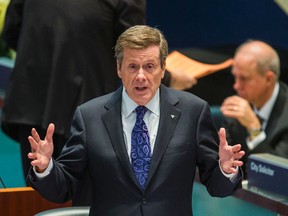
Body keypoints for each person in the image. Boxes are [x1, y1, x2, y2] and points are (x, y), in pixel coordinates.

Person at [27, 25, 244, 215]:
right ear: (119, 69)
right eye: (132, 67)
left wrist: (225, 170)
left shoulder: (193, 112)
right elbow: (63, 188)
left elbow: (217, 188)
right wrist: (46, 168)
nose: (141, 76)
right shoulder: (90, 116)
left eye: (149, 66)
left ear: (162, 69)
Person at [1, 0, 146, 182]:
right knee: (85, 203)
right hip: (85, 108)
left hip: (33, 101)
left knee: (39, 199)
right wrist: (170, 78)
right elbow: (135, 53)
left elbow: (11, 32)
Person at [221, 40, 288, 177]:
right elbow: (229, 167)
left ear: (269, 79)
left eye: (244, 79)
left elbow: (279, 176)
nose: (236, 86)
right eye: (235, 77)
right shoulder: (237, 108)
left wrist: (254, 130)